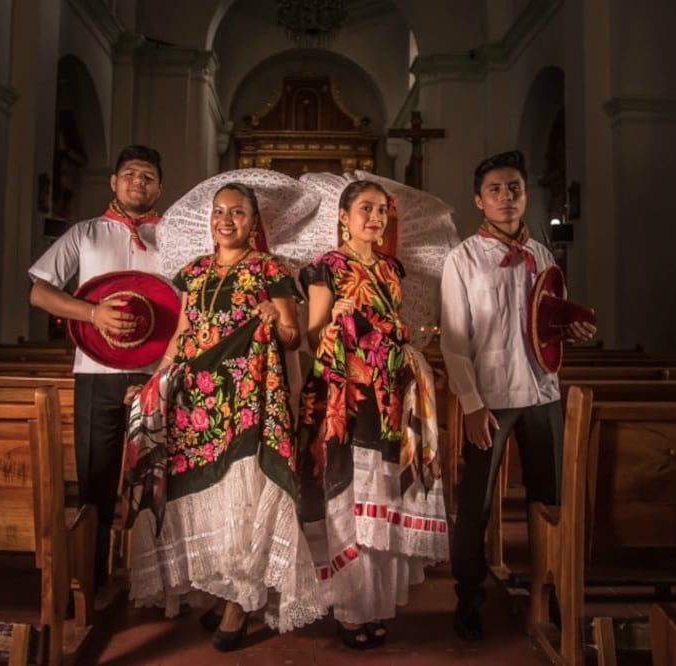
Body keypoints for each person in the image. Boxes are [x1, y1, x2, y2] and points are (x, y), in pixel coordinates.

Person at [123, 183, 325, 652]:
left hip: (247, 398)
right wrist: (155, 381)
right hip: (196, 401)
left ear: (254, 223)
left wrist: (274, 321)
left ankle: (241, 600)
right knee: (199, 491)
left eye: (237, 212)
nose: (226, 220)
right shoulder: (192, 273)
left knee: (244, 491)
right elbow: (181, 337)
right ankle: (222, 586)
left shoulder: (270, 271)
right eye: (219, 212)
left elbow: (295, 338)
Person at [439, 150, 596, 640]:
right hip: (491, 396)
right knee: (478, 501)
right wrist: (470, 403)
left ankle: (550, 592)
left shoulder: (542, 254)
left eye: (514, 189)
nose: (506, 198)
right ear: (478, 201)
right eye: (495, 190)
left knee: (549, 500)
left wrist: (573, 328)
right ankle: (469, 595)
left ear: (525, 195)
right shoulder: (461, 259)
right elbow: (454, 339)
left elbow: (544, 323)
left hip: (543, 392)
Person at [295, 180, 449, 650]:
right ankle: (348, 608)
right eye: (365, 208)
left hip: (389, 395)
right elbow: (312, 335)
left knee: (382, 495)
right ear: (343, 216)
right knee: (350, 491)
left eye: (382, 210)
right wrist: (334, 315)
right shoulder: (326, 268)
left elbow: (393, 329)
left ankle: (375, 604)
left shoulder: (389, 269)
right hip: (345, 394)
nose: (375, 218)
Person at [27, 144, 165, 609]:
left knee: (160, 479)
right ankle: (90, 581)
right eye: (130, 174)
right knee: (96, 480)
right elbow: (40, 294)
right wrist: (91, 313)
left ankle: (160, 582)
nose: (138, 183)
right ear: (113, 182)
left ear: (159, 187)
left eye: (147, 176)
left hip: (156, 373)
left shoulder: (176, 238)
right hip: (96, 372)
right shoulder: (84, 234)